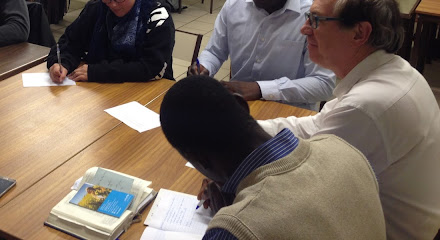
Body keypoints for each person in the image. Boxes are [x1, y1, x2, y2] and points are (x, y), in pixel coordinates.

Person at [258, 0, 440, 240]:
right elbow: (316, 127)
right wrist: (242, 127)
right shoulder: (392, 69)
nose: (304, 29)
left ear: (359, 34)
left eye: (317, 21)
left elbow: (299, 188)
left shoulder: (366, 106)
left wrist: (230, 167)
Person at [160, 75, 386, 240]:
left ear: (201, 159)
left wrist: (228, 221)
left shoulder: (235, 229)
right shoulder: (346, 150)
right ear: (242, 104)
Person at [189, 0, 334, 110]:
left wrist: (261, 89)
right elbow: (214, 51)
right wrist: (204, 65)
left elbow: (323, 84)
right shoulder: (235, 4)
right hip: (240, 105)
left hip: (290, 110)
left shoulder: (311, 17)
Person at [47, 0, 174, 83]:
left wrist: (98, 72)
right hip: (102, 90)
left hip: (150, 89)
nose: (112, 4)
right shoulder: (96, 9)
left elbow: (151, 67)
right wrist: (61, 63)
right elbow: (69, 43)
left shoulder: (157, 17)